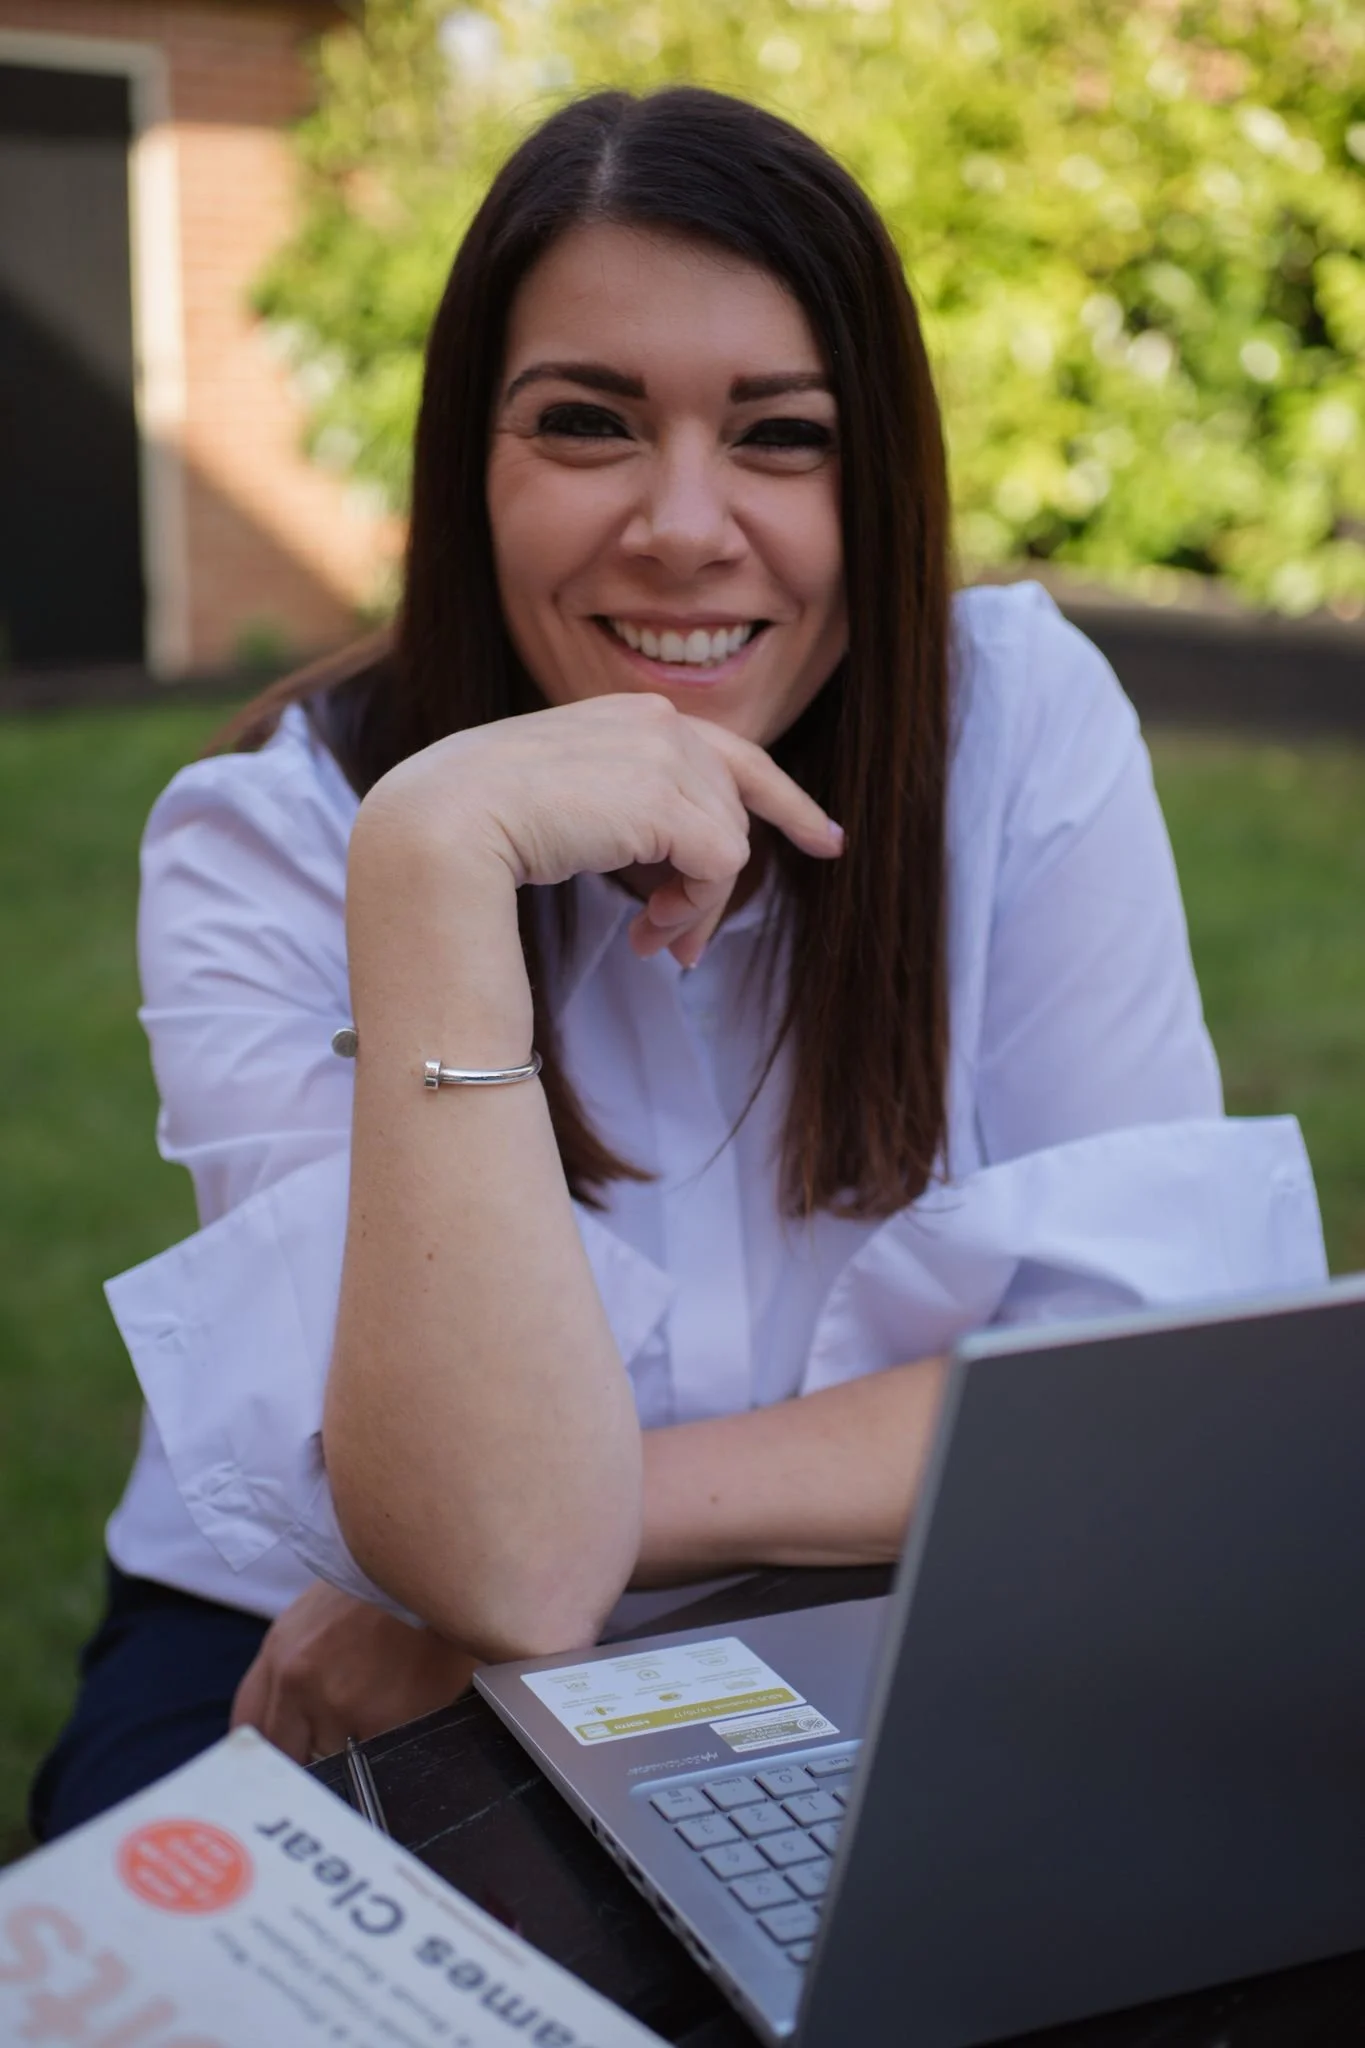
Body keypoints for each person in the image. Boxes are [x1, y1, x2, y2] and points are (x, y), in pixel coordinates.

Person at [32, 86, 1326, 1839]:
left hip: (815, 1602)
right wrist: (431, 870)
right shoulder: (273, 836)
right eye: (587, 425)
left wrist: (587, 1514)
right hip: (295, 1650)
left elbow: (1136, 1391)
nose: (687, 526)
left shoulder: (1014, 724)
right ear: (467, 465)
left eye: (781, 435)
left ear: (879, 472)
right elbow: (491, 1551)